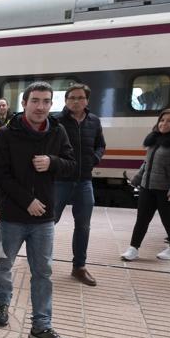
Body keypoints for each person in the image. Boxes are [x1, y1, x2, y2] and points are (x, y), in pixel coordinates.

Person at [0, 81, 76, 338]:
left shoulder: (58, 131)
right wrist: (26, 200)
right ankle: (2, 302)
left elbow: (72, 166)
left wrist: (53, 162)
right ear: (24, 103)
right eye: (35, 101)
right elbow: (0, 175)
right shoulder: (6, 134)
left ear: (52, 104)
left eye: (46, 101)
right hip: (13, 216)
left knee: (43, 272)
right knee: (5, 265)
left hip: (43, 219)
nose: (41, 106)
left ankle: (41, 326)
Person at [54, 84, 106, 286]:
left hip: (84, 180)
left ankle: (79, 267)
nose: (76, 101)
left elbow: (101, 144)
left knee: (83, 226)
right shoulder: (56, 121)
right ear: (66, 100)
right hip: (60, 181)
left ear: (87, 100)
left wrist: (95, 158)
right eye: (72, 97)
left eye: (80, 97)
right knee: (48, 223)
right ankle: (41, 261)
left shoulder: (94, 121)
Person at [121, 108, 170, 261]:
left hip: (165, 190)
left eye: (169, 121)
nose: (164, 124)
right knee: (142, 219)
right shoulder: (154, 140)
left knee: (168, 220)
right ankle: (133, 248)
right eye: (162, 120)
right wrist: (136, 179)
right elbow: (146, 163)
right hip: (146, 187)